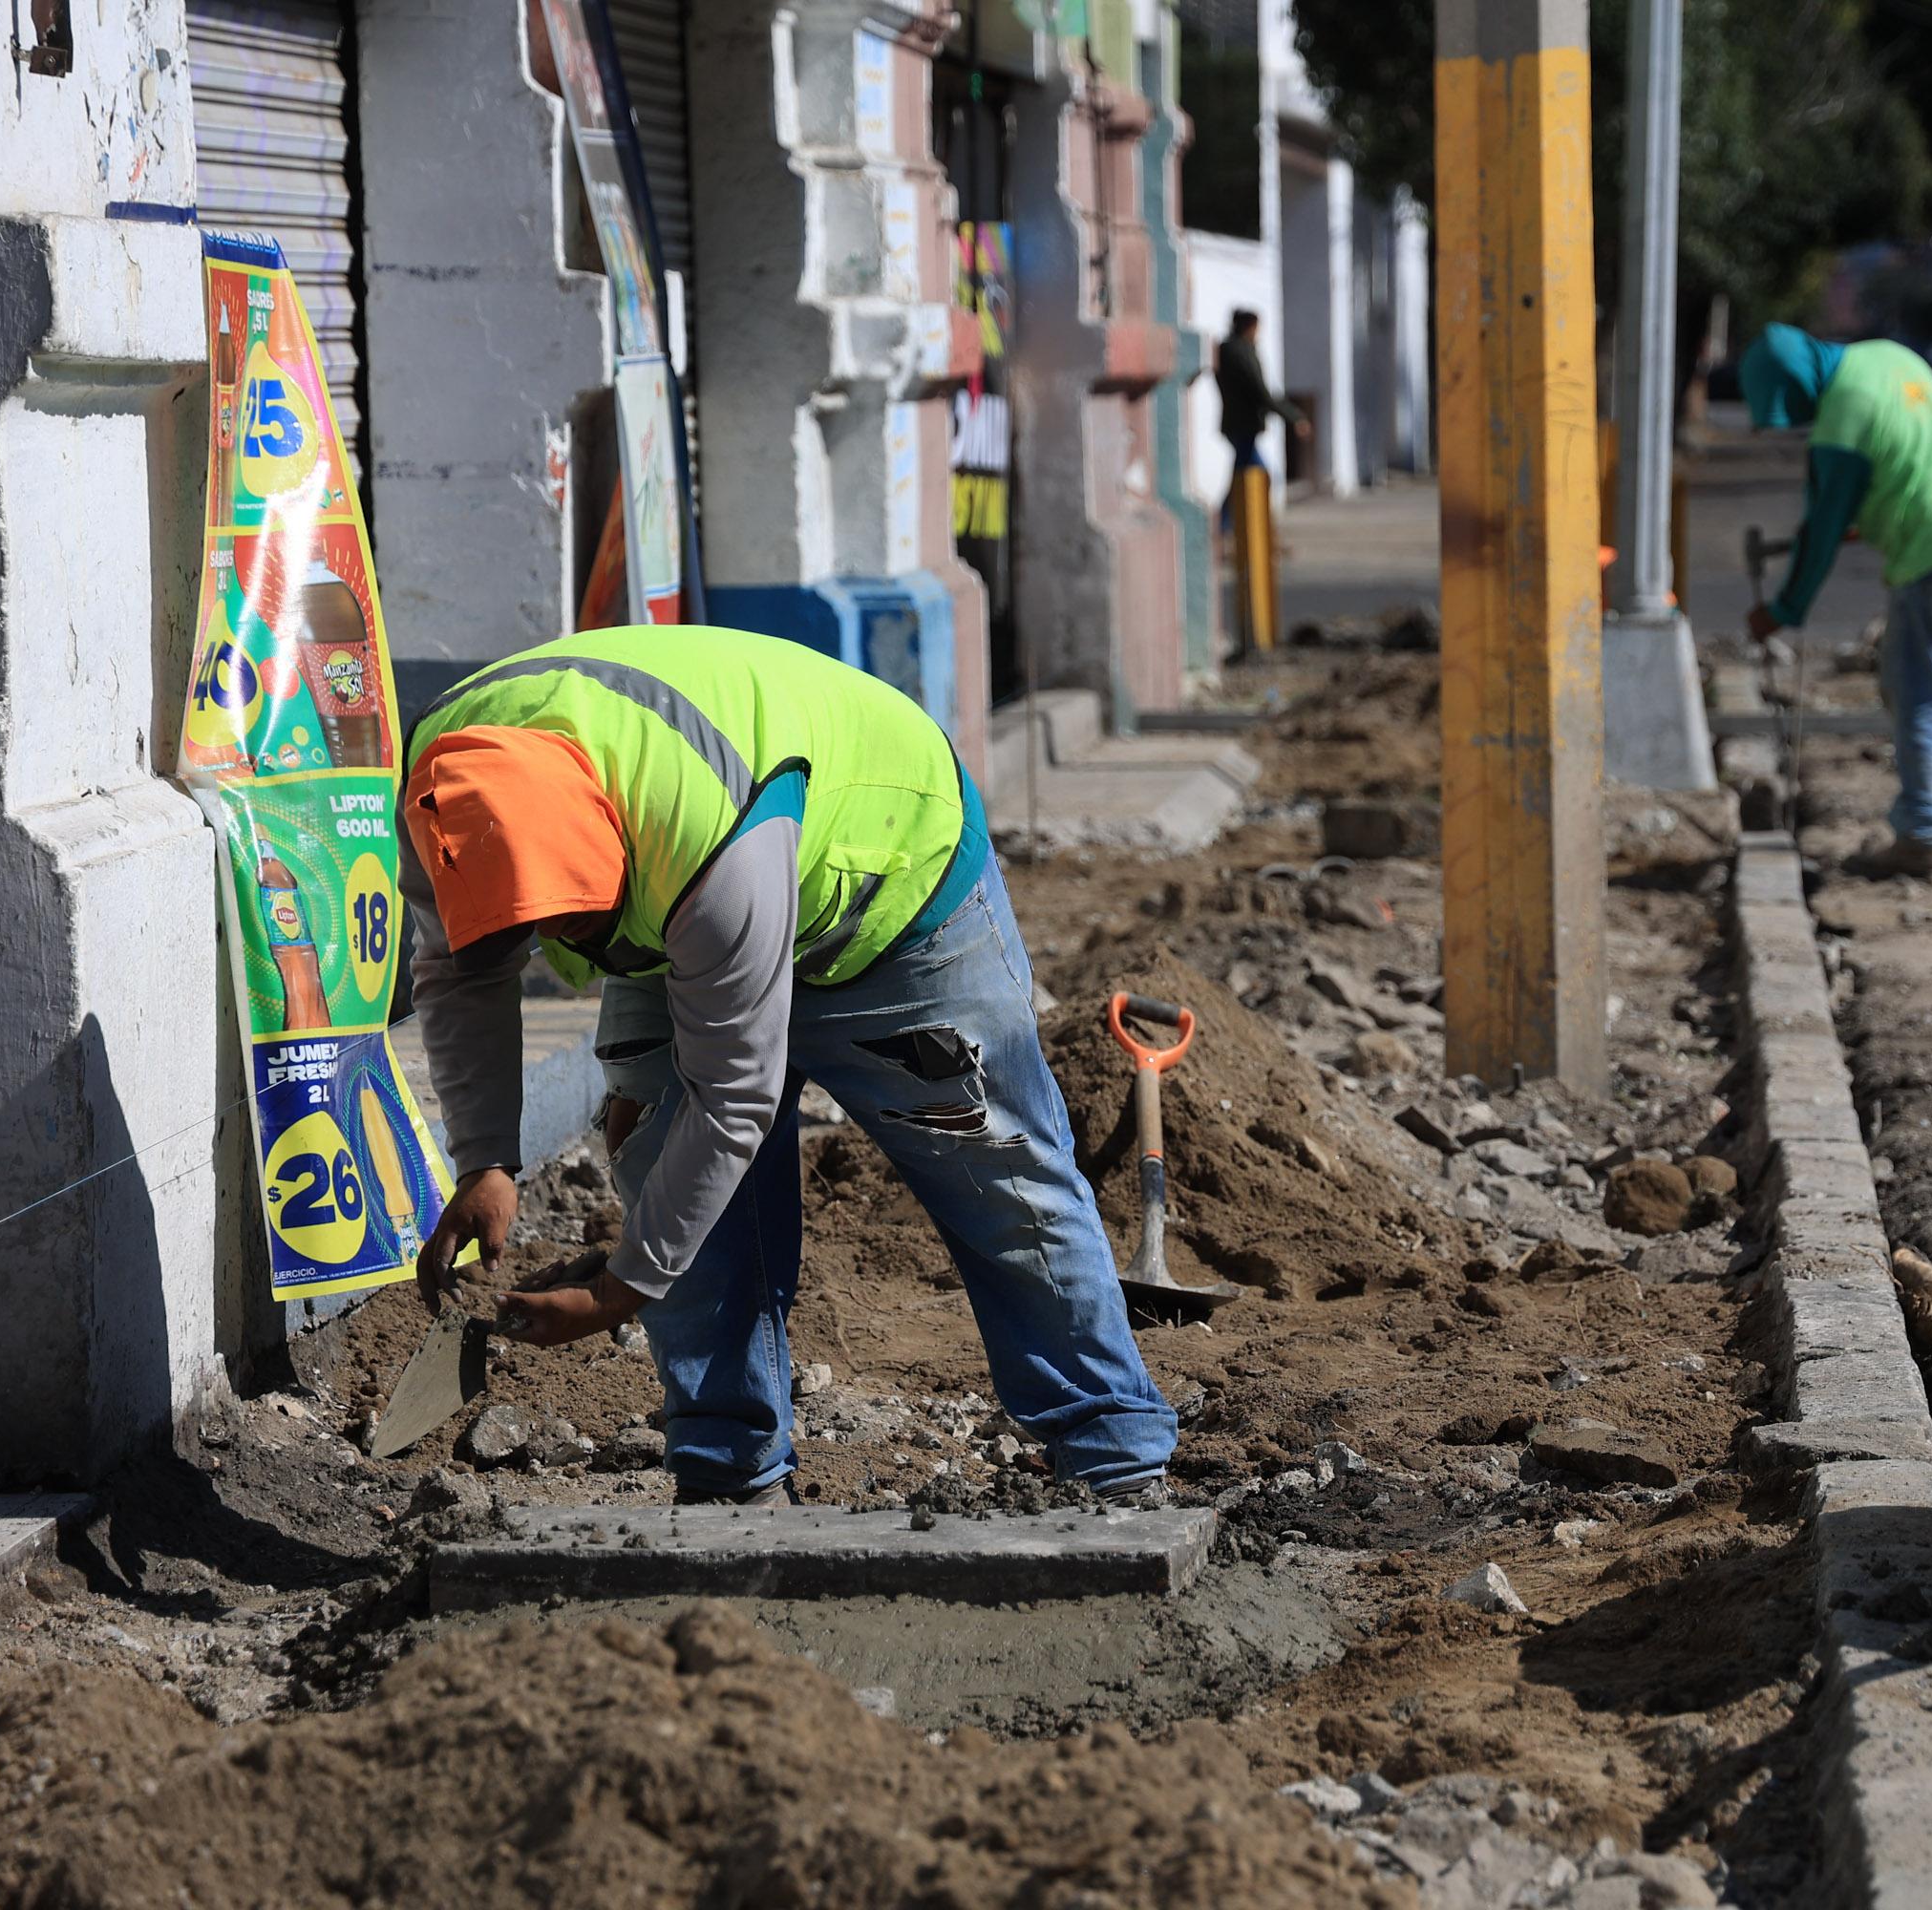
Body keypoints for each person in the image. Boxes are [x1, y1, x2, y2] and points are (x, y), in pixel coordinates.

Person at [399, 626, 1178, 1505]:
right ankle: (728, 1476)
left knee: (999, 1177)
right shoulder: (441, 791)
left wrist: (621, 1293)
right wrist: (486, 1162)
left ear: (606, 842)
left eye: (569, 921)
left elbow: (734, 1098)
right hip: (684, 905)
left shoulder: (702, 834)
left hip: (889, 882)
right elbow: (459, 975)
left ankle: (1114, 1460)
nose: (556, 943)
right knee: (666, 1167)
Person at [1740, 324, 1932, 877]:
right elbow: (1913, 457)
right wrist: (1876, 516)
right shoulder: (1890, 357)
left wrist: (1782, 610)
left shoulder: (1841, 414)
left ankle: (1922, 836)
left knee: (1918, 691)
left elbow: (1823, 526)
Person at [1213, 308, 1309, 524]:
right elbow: (1260, 392)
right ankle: (1229, 526)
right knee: (1255, 476)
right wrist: (1294, 417)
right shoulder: (1240, 353)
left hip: (1239, 424)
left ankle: (1231, 526)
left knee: (1245, 477)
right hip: (1243, 424)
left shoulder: (1233, 350)